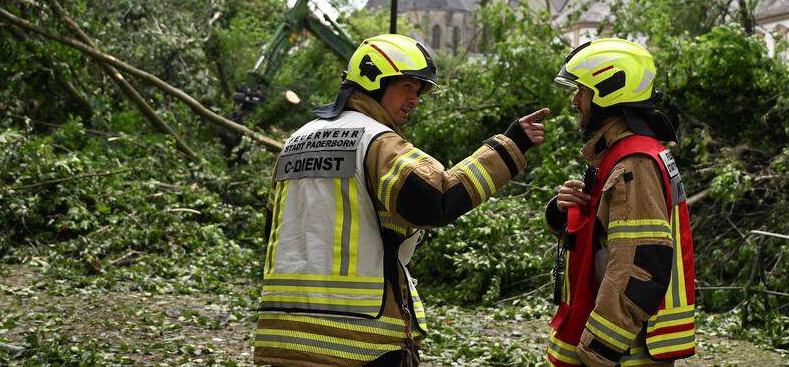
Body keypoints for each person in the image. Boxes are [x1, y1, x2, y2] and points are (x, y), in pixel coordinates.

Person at [253, 33, 549, 366]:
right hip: (357, 341)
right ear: (373, 79)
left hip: (280, 335)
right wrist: (509, 148)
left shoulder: (294, 141)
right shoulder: (376, 141)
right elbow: (438, 201)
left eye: (419, 91)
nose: (415, 100)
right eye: (407, 86)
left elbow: (273, 233)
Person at [543, 38, 695, 366]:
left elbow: (640, 263)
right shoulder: (623, 155)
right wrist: (562, 209)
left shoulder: (634, 164)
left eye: (581, 90)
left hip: (625, 353)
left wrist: (598, 348)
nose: (574, 101)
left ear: (608, 91)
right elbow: (603, 240)